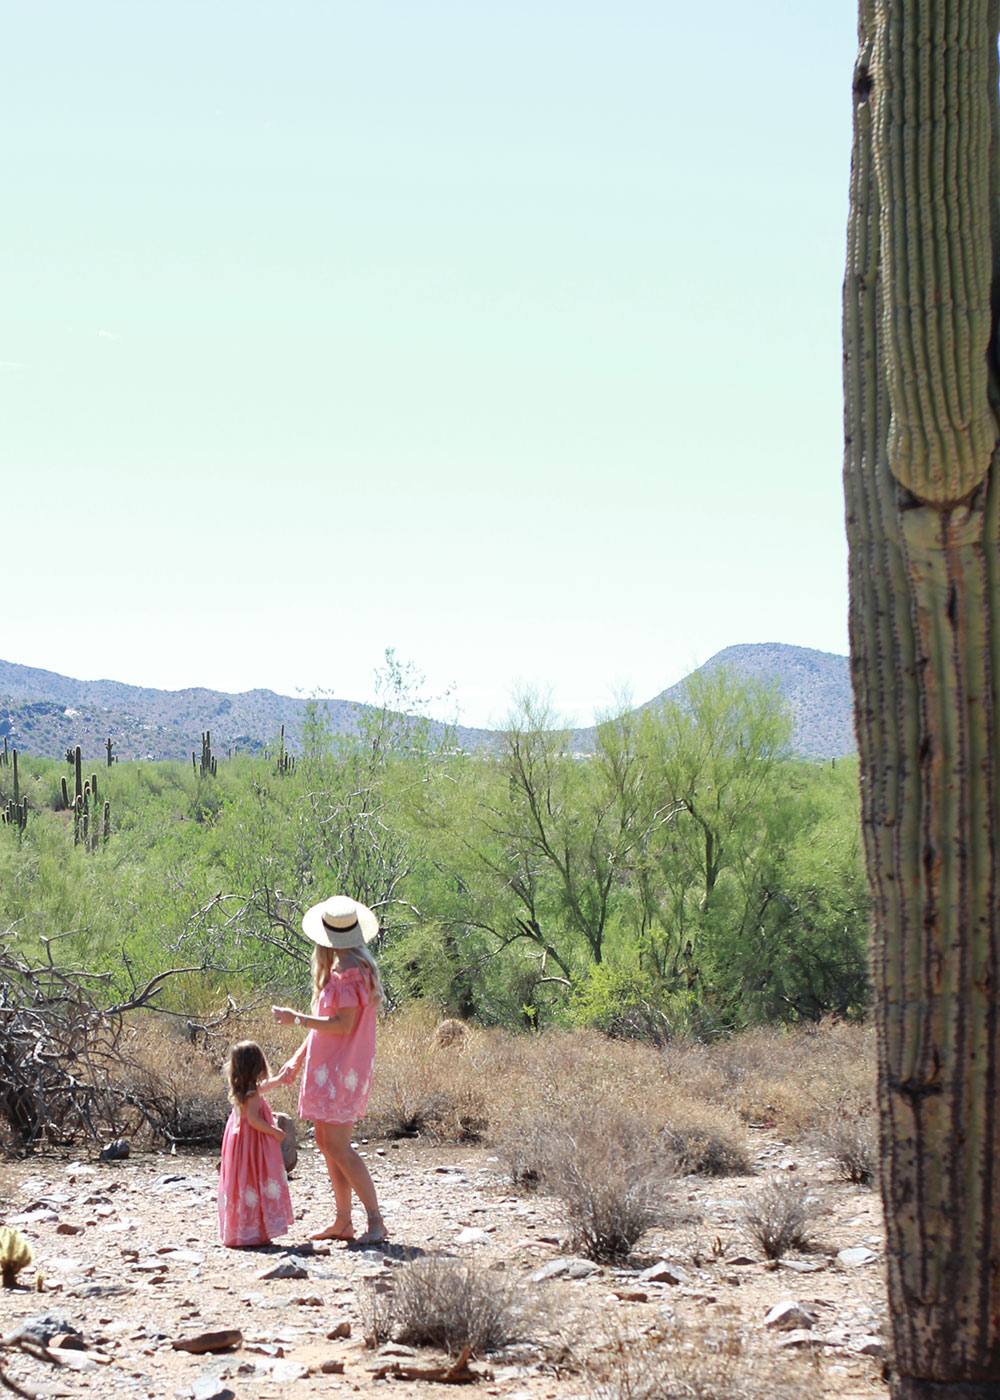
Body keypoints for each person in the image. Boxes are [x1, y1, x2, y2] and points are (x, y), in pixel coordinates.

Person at [272, 894, 388, 1245]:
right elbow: (326, 1026)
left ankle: (375, 1221)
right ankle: (343, 1221)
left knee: (337, 1144)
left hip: (341, 1071)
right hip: (328, 1069)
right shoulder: (346, 969)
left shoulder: (352, 973)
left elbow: (341, 1024)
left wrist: (296, 1019)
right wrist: (297, 1057)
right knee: (326, 1142)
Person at [218, 1040, 295, 1248]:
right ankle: (254, 1230)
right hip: (251, 1144)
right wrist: (275, 1131)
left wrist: (279, 1079)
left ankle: (244, 1229)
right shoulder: (251, 1095)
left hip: (241, 1142)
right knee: (253, 1179)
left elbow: (261, 1089)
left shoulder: (245, 1090)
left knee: (244, 1183)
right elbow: (253, 1120)